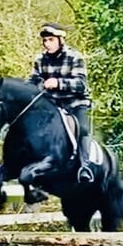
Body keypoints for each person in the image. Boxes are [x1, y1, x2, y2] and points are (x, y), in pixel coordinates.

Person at [28, 22, 94, 184]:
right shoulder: (40, 59)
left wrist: (58, 83)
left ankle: (84, 166)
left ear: (60, 40)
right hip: (52, 105)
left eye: (50, 40)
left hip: (75, 103)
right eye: (45, 41)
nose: (47, 44)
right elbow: (32, 82)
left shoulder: (75, 57)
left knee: (83, 129)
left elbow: (81, 85)